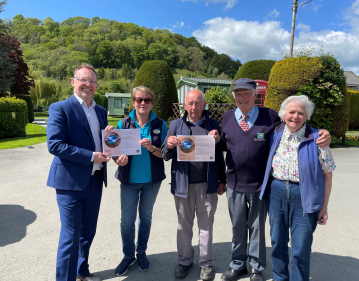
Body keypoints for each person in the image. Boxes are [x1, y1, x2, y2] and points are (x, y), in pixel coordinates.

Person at [220, 78, 331, 281]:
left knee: (259, 230)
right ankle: (237, 264)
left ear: (255, 94)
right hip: (236, 183)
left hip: (261, 185)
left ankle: (256, 268)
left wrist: (323, 133)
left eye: (247, 93)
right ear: (234, 96)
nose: (242, 97)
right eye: (238, 93)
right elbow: (220, 147)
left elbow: (298, 126)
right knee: (240, 229)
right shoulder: (228, 117)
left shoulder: (270, 117)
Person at [47, 63, 112, 281]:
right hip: (70, 182)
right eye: (83, 80)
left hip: (95, 181)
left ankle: (81, 271)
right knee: (70, 236)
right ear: (73, 81)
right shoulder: (60, 108)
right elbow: (55, 145)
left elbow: (102, 143)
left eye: (92, 81)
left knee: (87, 233)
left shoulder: (101, 111)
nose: (88, 85)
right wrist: (91, 156)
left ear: (97, 85)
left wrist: (111, 143)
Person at [259, 95, 335, 281]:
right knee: (278, 242)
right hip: (276, 191)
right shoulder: (274, 133)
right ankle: (280, 278)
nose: (295, 116)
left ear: (306, 116)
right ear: (284, 114)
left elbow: (328, 174)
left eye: (301, 113)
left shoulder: (317, 138)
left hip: (305, 195)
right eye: (291, 112)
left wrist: (324, 207)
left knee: (300, 247)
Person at [161, 89, 226, 281]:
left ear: (204, 105)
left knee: (206, 226)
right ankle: (184, 261)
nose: (194, 107)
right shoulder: (175, 125)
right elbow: (165, 155)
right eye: (190, 103)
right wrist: (170, 145)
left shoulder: (213, 125)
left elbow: (220, 156)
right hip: (183, 185)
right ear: (185, 106)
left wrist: (222, 180)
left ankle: (206, 264)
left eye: (198, 103)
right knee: (184, 226)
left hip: (208, 185)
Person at [113, 86, 168, 276]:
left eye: (147, 100)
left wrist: (152, 148)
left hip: (152, 181)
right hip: (129, 181)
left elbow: (165, 154)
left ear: (152, 103)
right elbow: (115, 152)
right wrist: (118, 159)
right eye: (139, 99)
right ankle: (128, 255)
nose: (142, 103)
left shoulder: (160, 124)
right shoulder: (123, 123)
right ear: (133, 102)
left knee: (145, 218)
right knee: (127, 221)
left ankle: (141, 252)